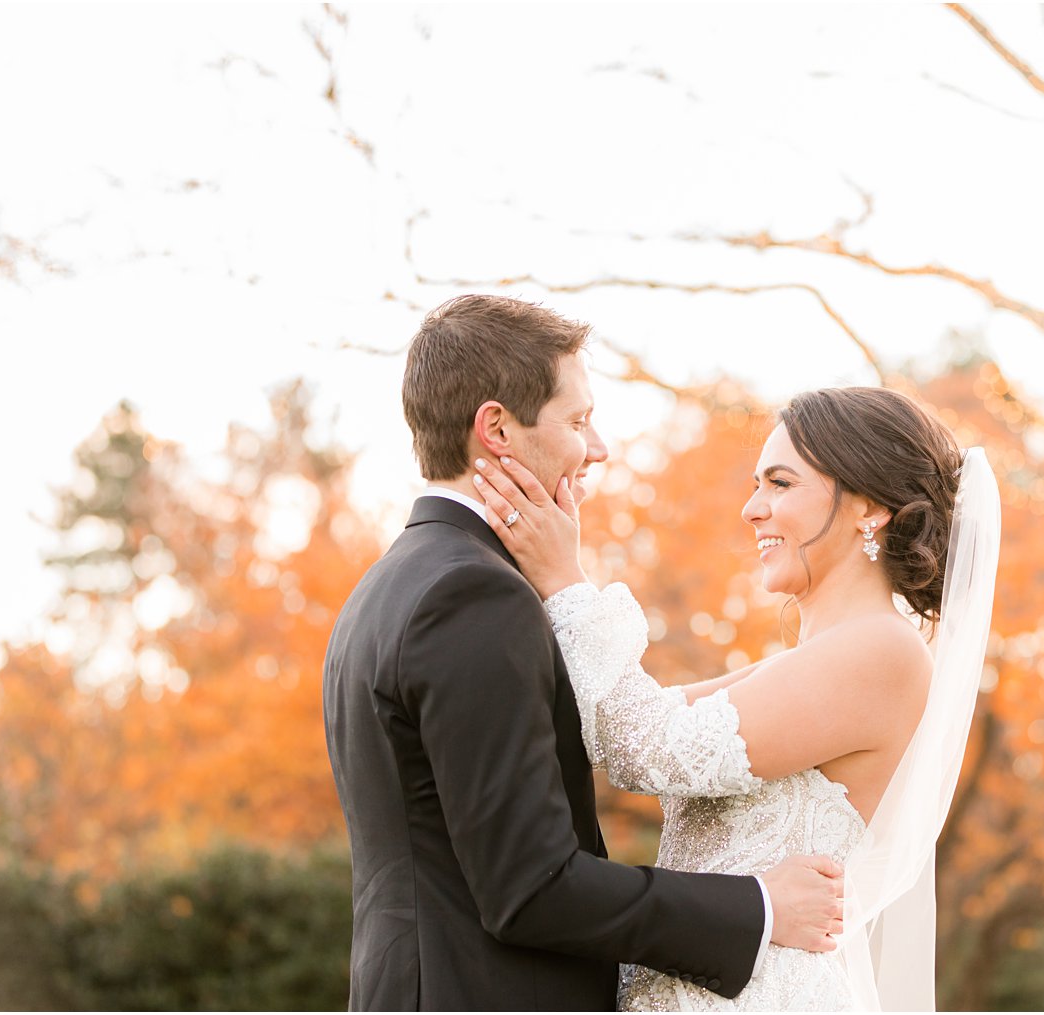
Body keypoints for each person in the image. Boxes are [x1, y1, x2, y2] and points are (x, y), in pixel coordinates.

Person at [322, 295, 846, 1012]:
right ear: (497, 428)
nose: (597, 448)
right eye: (578, 420)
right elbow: (531, 888)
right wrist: (757, 907)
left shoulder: (386, 587)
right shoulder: (475, 595)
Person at [473, 385, 1001, 1010]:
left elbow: (645, 747)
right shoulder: (810, 663)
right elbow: (627, 718)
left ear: (869, 507)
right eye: (757, 485)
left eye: (780, 483)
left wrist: (566, 579)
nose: (752, 509)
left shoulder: (883, 652)